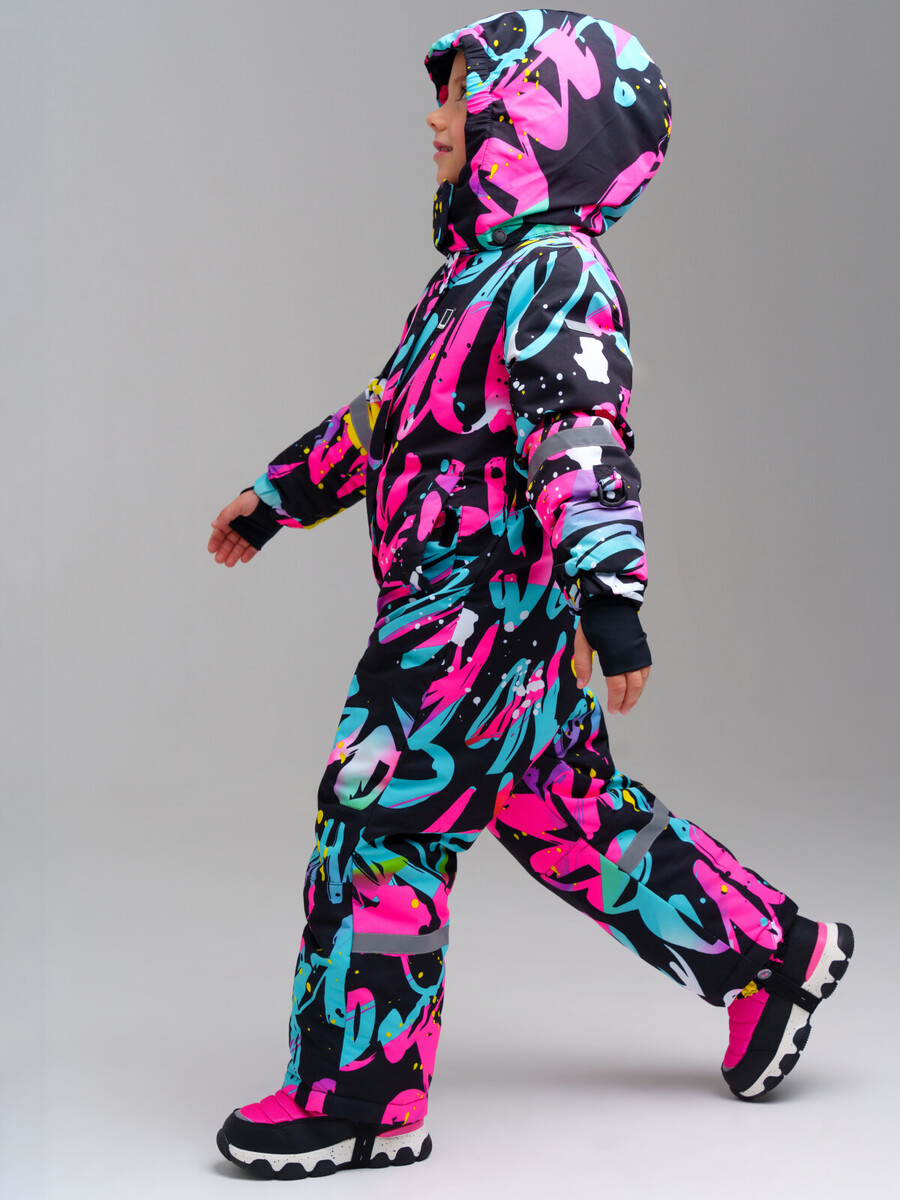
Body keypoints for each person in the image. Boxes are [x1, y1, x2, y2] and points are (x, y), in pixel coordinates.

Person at [207, 10, 853, 1181]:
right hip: (493, 624)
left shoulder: (558, 273)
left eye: (458, 96)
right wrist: (277, 497)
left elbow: (581, 433)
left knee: (379, 817)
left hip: (466, 624)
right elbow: (387, 417)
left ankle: (363, 1093)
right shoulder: (473, 280)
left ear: (529, 118)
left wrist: (612, 596)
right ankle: (771, 955)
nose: (435, 118)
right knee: (566, 809)